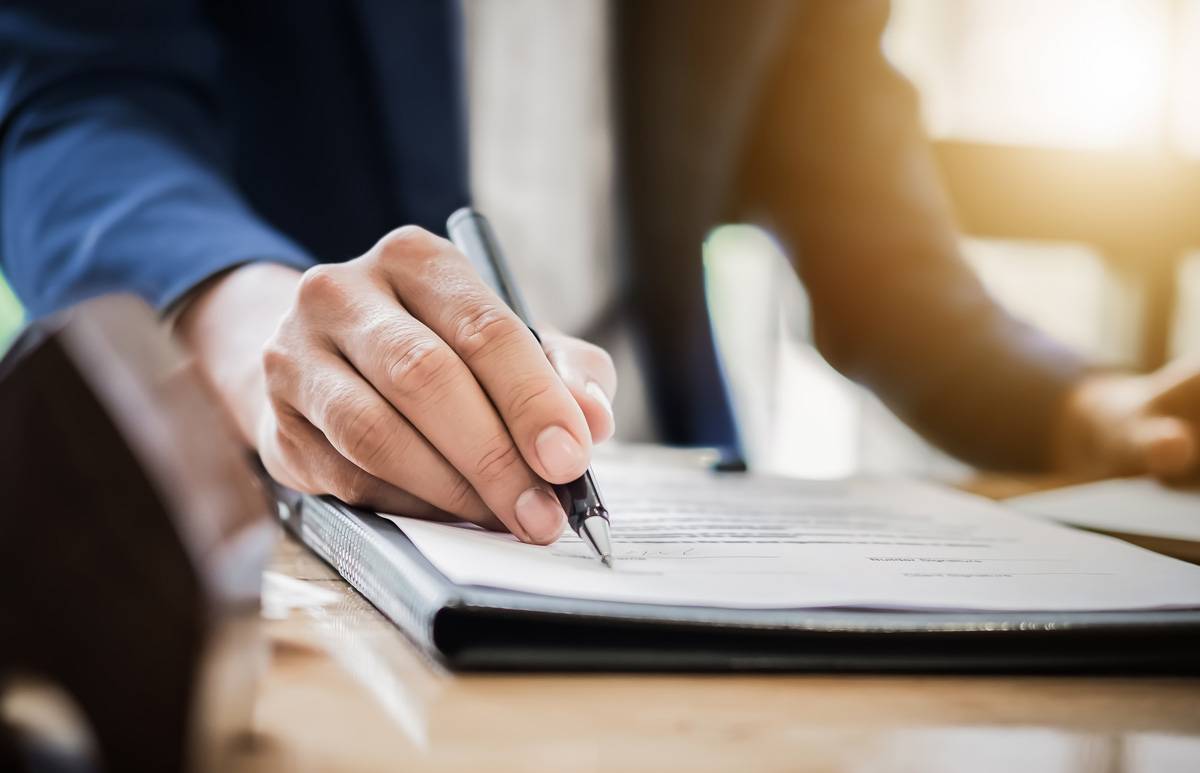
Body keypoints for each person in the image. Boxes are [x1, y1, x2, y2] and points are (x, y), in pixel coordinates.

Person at [0, 1, 1195, 548]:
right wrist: (255, 318)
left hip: (674, 535)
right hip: (287, 530)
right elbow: (73, 106)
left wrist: (1090, 411)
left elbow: (878, 255)